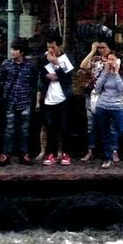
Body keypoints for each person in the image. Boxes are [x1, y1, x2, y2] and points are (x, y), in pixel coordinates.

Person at [92, 52, 123, 169]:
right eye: (108, 59)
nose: (110, 62)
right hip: (103, 105)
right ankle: (107, 158)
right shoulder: (103, 71)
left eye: (113, 59)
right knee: (105, 133)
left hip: (117, 107)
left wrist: (115, 73)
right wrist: (105, 72)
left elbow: (121, 89)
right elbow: (97, 87)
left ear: (119, 61)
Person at [0, 39, 38, 166]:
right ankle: (6, 153)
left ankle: (24, 154)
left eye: (15, 50)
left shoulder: (30, 65)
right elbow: (2, 79)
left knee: (24, 129)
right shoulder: (6, 64)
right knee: (9, 129)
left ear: (22, 52)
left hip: (25, 99)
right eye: (12, 49)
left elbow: (34, 81)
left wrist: (31, 95)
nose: (12, 52)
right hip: (10, 100)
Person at [38, 37, 75, 166]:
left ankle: (66, 153)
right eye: (49, 47)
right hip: (48, 97)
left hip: (63, 97)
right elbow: (41, 75)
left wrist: (57, 65)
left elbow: (68, 77)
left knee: (64, 127)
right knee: (50, 127)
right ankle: (50, 153)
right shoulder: (44, 58)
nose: (50, 50)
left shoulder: (67, 58)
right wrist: (47, 76)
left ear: (59, 46)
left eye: (53, 47)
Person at [79, 40, 113, 163]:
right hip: (93, 94)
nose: (101, 50)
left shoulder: (113, 59)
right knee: (91, 124)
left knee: (110, 125)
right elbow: (83, 65)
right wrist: (92, 51)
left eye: (103, 47)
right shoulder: (95, 59)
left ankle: (112, 150)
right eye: (99, 48)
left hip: (107, 94)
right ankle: (91, 149)